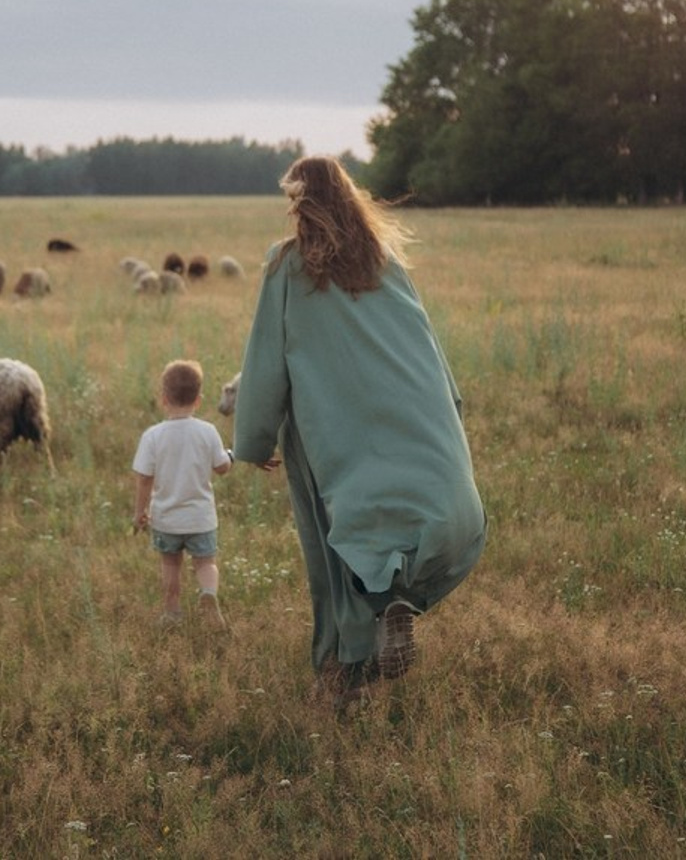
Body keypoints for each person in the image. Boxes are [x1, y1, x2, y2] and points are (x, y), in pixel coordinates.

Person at [233, 155, 485, 700]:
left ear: (300, 204)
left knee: (335, 542)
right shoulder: (386, 262)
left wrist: (253, 438)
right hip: (406, 414)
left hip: (330, 429)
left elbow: (267, 357)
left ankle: (344, 676)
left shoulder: (286, 265)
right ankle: (395, 598)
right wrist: (449, 412)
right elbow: (426, 346)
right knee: (394, 529)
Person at [132, 359, 234, 627]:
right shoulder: (207, 432)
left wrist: (140, 512)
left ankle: (172, 612)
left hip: (166, 519)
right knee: (205, 562)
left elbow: (144, 478)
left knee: (171, 565)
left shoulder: (153, 436)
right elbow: (222, 467)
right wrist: (231, 455)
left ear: (164, 399)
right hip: (201, 519)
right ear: (198, 400)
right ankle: (209, 593)